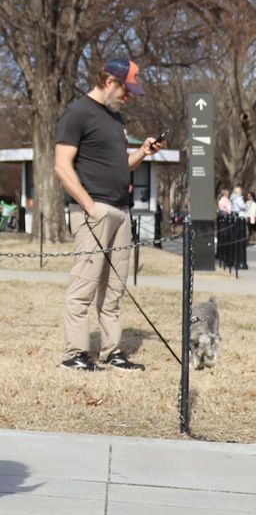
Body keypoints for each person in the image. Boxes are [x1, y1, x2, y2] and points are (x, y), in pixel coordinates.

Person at [54, 58, 164, 373]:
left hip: (120, 212)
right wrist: (89, 207)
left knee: (115, 287)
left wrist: (142, 152)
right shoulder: (78, 113)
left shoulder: (115, 120)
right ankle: (75, 354)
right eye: (126, 90)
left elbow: (119, 166)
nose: (128, 97)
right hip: (94, 211)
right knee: (85, 285)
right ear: (110, 81)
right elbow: (62, 166)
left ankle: (112, 352)